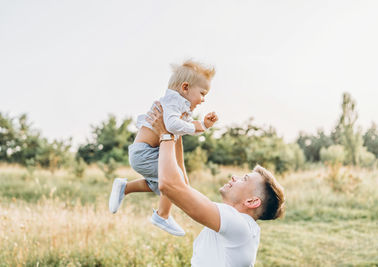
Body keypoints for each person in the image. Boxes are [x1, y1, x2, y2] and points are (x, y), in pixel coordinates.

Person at [144, 102, 286, 266]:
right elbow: (182, 186)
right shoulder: (239, 225)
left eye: (244, 179)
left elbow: (169, 186)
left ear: (252, 201)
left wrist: (165, 134)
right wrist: (177, 132)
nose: (234, 177)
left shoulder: (239, 225)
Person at [108, 60, 218, 236]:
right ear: (185, 88)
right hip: (144, 154)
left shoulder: (177, 104)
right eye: (203, 93)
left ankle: (125, 188)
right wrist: (196, 127)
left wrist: (203, 125)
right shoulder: (173, 102)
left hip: (147, 152)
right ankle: (163, 215)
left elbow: (179, 127)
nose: (203, 99)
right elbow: (173, 125)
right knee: (173, 179)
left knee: (160, 185)